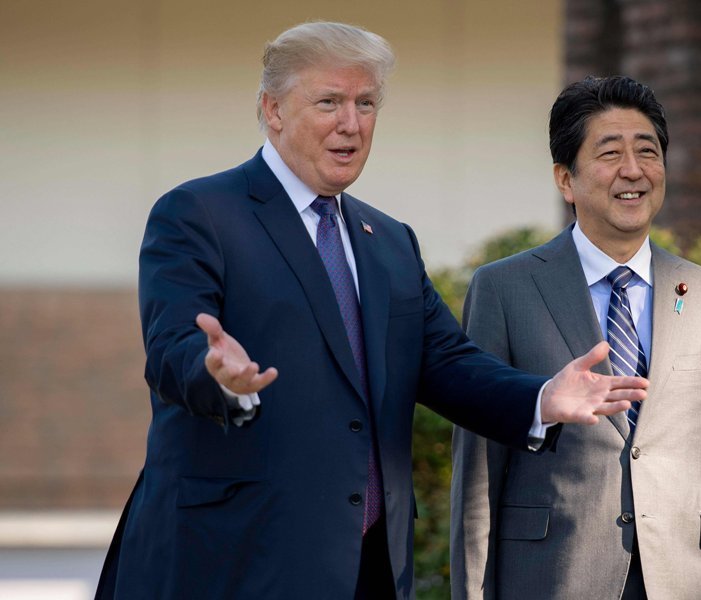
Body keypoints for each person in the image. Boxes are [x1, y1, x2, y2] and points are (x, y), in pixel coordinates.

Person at [94, 25, 650, 600]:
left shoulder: (387, 240)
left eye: (365, 104)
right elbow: (175, 347)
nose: (351, 124)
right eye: (329, 102)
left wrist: (540, 398)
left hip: (368, 567)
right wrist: (217, 376)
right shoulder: (198, 213)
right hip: (232, 560)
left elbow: (446, 361)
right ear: (273, 109)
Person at [450, 76, 701, 599]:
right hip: (554, 575)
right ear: (565, 179)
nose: (633, 170)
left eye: (647, 151)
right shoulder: (504, 289)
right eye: (610, 153)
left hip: (686, 578)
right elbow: (478, 472)